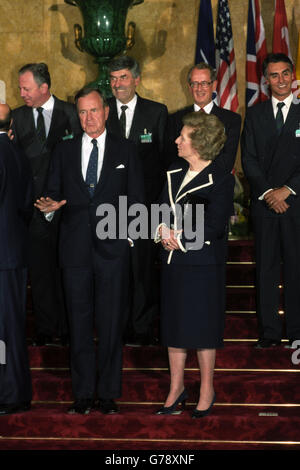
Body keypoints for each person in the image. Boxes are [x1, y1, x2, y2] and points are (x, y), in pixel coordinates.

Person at [35, 87, 145, 415]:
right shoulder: (64, 151)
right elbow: (52, 195)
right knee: (79, 324)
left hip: (113, 252)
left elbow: (137, 200)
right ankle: (82, 394)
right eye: (82, 112)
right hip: (75, 252)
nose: (88, 118)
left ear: (106, 111)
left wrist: (127, 241)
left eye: (94, 111)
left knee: (111, 324)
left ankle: (109, 394)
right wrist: (50, 207)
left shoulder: (126, 149)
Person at [155, 112, 234, 418]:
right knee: (174, 328)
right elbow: (160, 210)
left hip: (202, 265)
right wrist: (162, 230)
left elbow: (215, 225)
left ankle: (206, 390)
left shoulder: (221, 178)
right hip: (174, 262)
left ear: (199, 143)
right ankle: (176, 389)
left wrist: (181, 236)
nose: (177, 141)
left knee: (201, 329)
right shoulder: (174, 172)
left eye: (183, 137)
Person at [12, 63, 81, 347]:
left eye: (26, 88)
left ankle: (66, 328)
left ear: (44, 88)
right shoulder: (16, 117)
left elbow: (79, 159)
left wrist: (64, 199)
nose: (22, 93)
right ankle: (44, 327)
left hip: (65, 207)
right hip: (31, 208)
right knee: (39, 272)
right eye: (20, 88)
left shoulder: (72, 114)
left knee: (65, 269)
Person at [106, 55, 168, 345]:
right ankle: (116, 327)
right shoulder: (101, 112)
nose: (118, 84)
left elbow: (166, 162)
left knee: (142, 270)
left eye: (123, 77)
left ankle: (142, 329)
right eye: (114, 78)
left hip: (147, 207)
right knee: (115, 270)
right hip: (109, 209)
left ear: (136, 79)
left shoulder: (157, 112)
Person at [241, 52, 300, 349]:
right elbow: (248, 160)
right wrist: (268, 193)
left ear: (292, 76)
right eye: (274, 75)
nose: (280, 80)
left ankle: (297, 332)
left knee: (296, 268)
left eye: (285, 73)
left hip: (295, 205)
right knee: (265, 269)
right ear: (266, 81)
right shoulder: (255, 115)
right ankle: (269, 332)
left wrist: (288, 190)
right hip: (266, 205)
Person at [0, 103, 33, 415]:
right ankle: (18, 392)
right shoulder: (19, 154)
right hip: (14, 254)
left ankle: (9, 395)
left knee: (4, 330)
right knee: (12, 327)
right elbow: (25, 207)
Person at [166, 62, 241, 171]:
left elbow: (227, 160)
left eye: (204, 83)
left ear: (214, 85)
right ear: (189, 87)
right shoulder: (175, 119)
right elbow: (171, 158)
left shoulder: (231, 119)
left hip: (216, 183)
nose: (199, 88)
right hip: (185, 181)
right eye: (195, 83)